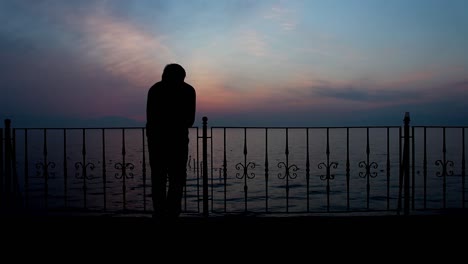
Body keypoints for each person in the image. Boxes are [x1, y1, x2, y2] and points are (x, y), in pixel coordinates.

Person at [146, 63, 196, 219]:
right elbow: (189, 120)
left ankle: (160, 212)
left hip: (158, 141)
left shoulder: (155, 89)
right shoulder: (188, 90)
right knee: (176, 178)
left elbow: (151, 118)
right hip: (177, 140)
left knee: (159, 178)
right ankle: (172, 212)